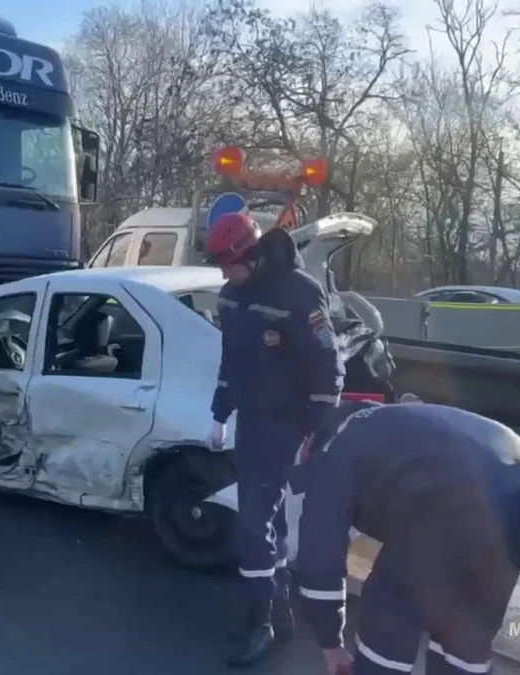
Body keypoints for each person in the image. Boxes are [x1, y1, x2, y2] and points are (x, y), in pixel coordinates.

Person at [294, 400, 520, 675]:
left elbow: (319, 560)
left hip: (446, 498)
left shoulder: (331, 449)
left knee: (389, 627)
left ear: (309, 444)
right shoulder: (386, 422)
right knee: (466, 637)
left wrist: (330, 644)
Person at [203, 212, 344, 668]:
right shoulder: (232, 297)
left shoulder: (299, 293)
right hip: (252, 421)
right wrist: (220, 412)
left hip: (286, 424)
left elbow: (327, 363)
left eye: (228, 264)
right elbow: (232, 359)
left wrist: (320, 429)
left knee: (253, 524)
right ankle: (278, 617)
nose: (223, 273)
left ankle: (262, 621)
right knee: (270, 523)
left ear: (252, 256)